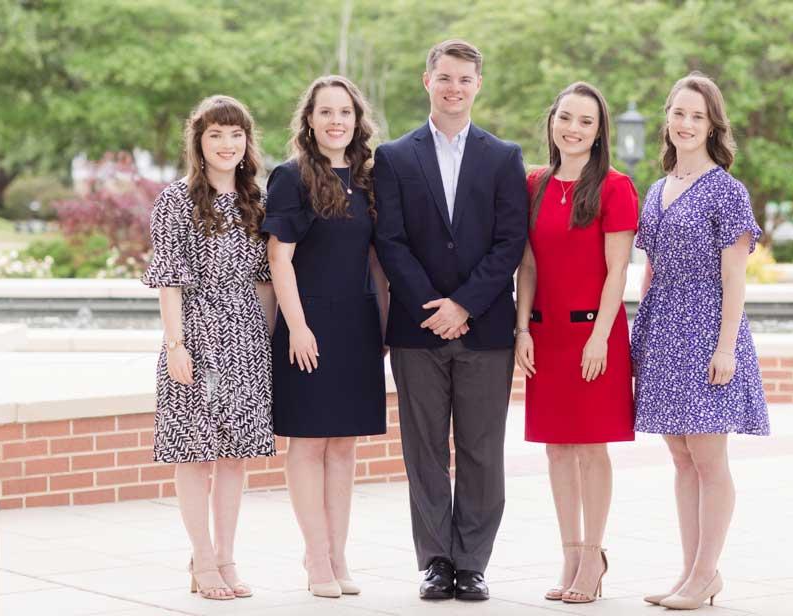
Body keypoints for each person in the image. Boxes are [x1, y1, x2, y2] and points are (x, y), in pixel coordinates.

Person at [372, 39, 527, 601]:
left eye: (464, 79)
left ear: (477, 85)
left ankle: (473, 562)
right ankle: (436, 560)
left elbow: (511, 242)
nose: (454, 87)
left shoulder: (504, 157)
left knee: (484, 451)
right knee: (425, 450)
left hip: (485, 330)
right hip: (418, 331)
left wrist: (465, 304)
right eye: (445, 77)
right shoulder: (393, 157)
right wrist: (434, 308)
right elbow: (390, 241)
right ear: (427, 80)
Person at [631, 71, 770, 610]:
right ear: (667, 119)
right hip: (662, 328)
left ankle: (706, 573)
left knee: (709, 459)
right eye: (679, 113)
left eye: (697, 115)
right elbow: (649, 269)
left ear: (712, 125)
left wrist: (726, 346)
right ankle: (689, 573)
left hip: (707, 329)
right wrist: (639, 336)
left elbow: (735, 278)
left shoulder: (728, 192)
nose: (686, 123)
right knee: (681, 459)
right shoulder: (657, 188)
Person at [141, 94, 276, 601]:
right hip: (195, 334)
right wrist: (174, 344)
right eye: (216, 134)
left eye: (235, 134)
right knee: (195, 453)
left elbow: (265, 279)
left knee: (236, 457)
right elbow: (169, 280)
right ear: (199, 141)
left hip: (245, 338)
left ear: (247, 142)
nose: (226, 144)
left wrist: (265, 341)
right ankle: (201, 558)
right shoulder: (176, 199)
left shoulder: (257, 200)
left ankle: (226, 556)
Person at [263, 75, 388, 599]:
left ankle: (339, 555)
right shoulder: (290, 178)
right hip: (306, 324)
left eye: (345, 112)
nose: (336, 121)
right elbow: (279, 258)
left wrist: (383, 326)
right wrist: (297, 327)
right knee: (309, 442)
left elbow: (378, 261)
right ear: (309, 121)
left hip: (357, 324)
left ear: (357, 120)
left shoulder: (370, 180)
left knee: (344, 447)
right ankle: (315, 558)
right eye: (325, 112)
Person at [514, 81, 636, 605]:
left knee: (591, 448)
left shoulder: (614, 186)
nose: (574, 128)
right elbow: (529, 265)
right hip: (546, 334)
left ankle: (593, 554)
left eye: (586, 121)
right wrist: (522, 328)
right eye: (566, 117)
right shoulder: (533, 184)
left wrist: (600, 337)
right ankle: (568, 552)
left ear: (599, 130)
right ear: (552, 121)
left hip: (595, 335)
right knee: (557, 450)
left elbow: (617, 272)